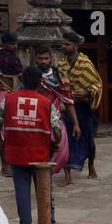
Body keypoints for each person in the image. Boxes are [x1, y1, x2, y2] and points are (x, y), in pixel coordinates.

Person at [0, 66, 62, 224]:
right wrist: (59, 142)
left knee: (21, 190)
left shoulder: (9, 100)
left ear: (22, 81)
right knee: (45, 189)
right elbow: (56, 127)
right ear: (40, 83)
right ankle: (50, 222)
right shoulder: (46, 103)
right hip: (40, 153)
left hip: (16, 153)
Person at [58, 31, 102, 182]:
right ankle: (67, 175)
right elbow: (60, 84)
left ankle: (91, 166)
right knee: (65, 139)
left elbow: (97, 84)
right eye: (63, 44)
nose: (64, 47)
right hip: (67, 107)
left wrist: (86, 93)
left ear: (76, 45)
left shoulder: (85, 63)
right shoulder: (61, 64)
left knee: (89, 139)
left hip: (83, 107)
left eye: (67, 44)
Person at [33, 45, 78, 184]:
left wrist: (76, 123)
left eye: (46, 58)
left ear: (51, 59)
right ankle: (41, 177)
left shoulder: (59, 76)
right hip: (38, 119)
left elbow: (68, 101)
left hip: (56, 117)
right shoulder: (32, 75)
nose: (43, 61)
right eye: (40, 59)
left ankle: (67, 175)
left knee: (62, 148)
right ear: (35, 59)